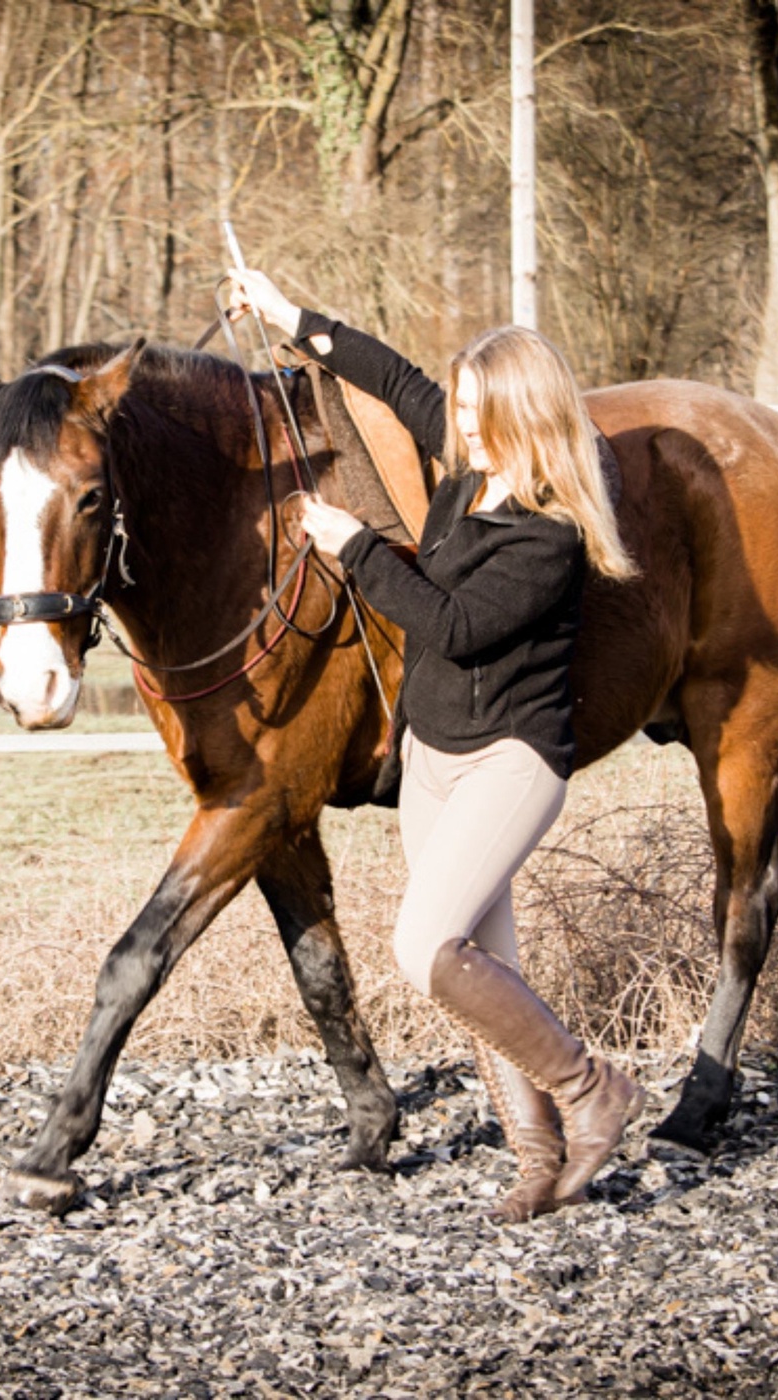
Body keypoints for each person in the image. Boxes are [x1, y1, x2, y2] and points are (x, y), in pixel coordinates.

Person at [228, 269, 644, 1223]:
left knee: (426, 947)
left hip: (511, 762)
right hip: (435, 762)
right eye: (456, 406)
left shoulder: (549, 532)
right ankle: (536, 1159)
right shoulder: (468, 473)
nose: (454, 420)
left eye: (473, 409)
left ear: (522, 416)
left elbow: (451, 625)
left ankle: (593, 1091)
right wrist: (289, 315)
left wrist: (356, 547)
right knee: (479, 963)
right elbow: (393, 377)